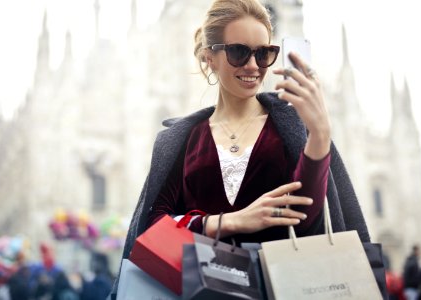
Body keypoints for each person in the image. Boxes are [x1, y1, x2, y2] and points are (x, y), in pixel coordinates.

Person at [110, 0, 371, 298]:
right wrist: (231, 221)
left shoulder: (290, 128)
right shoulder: (183, 138)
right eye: (238, 52)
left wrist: (321, 135)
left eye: (264, 54)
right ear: (210, 57)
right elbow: (154, 228)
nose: (252, 66)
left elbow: (307, 219)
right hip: (200, 290)